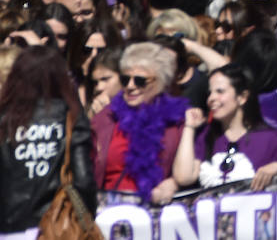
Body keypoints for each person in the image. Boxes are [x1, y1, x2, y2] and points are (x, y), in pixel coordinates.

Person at [0, 46, 97, 236]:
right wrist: (87, 218)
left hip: (9, 228)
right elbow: (83, 179)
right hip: (57, 227)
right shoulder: (70, 116)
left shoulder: (4, 119)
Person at [172, 63, 277, 189]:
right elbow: (184, 177)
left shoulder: (270, 139)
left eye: (220, 91)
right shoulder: (206, 136)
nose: (211, 98)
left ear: (242, 97)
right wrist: (189, 127)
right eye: (210, 93)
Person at [91, 42, 187, 202]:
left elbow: (191, 169)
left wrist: (174, 183)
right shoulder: (106, 117)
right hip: (106, 212)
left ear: (160, 82)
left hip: (153, 215)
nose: (130, 86)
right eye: (125, 79)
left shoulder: (176, 122)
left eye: (140, 81)